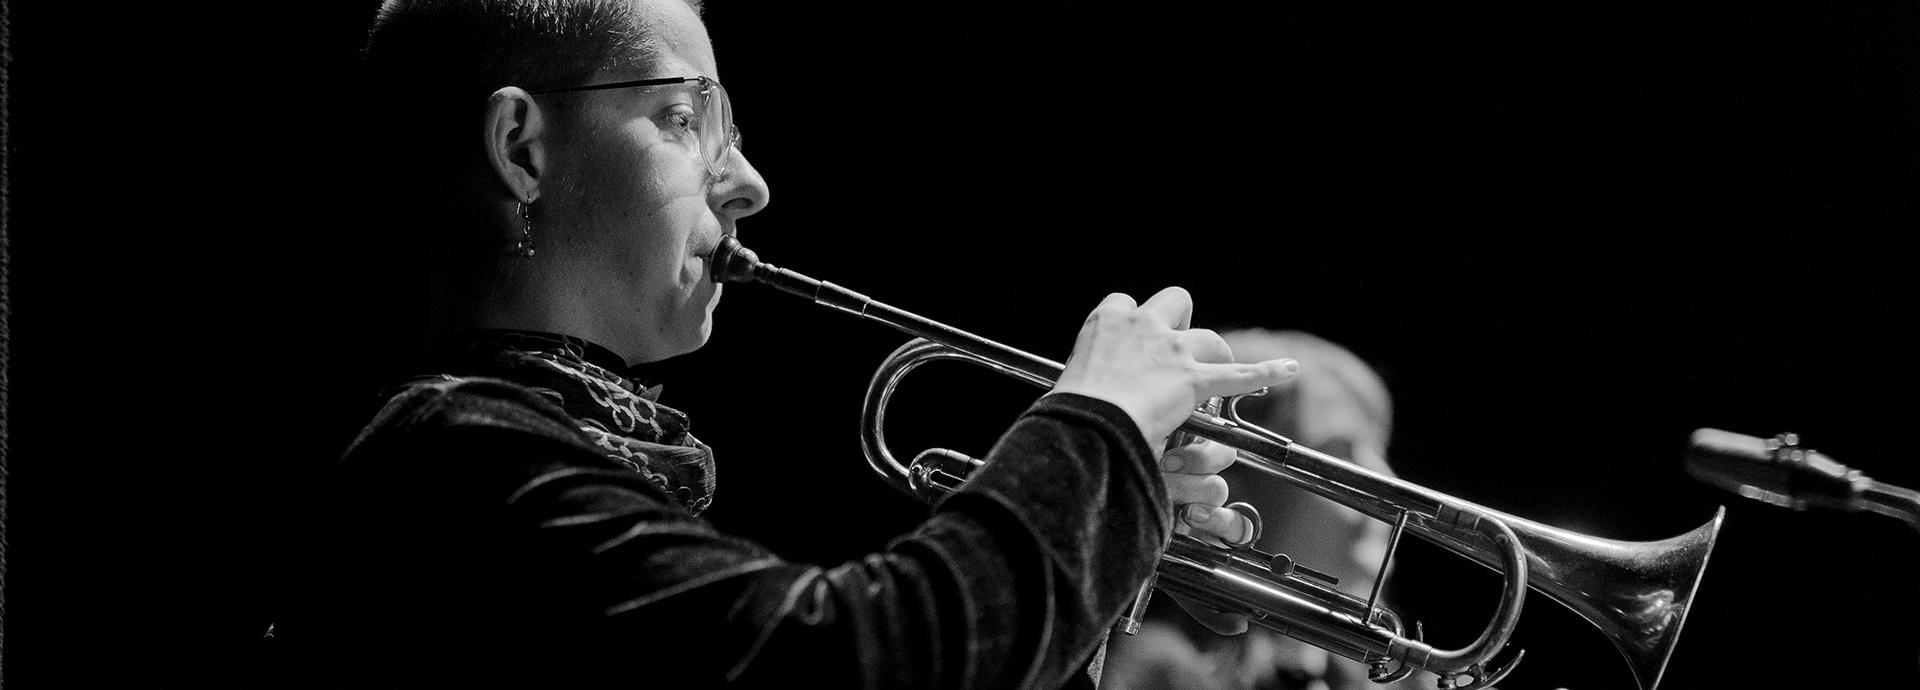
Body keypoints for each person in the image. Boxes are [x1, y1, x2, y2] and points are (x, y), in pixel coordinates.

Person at [264, 1, 1298, 688]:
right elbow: (860, 664)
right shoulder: (454, 456)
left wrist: (1106, 521)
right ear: (521, 148)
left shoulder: (563, 453)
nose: (751, 185)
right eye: (682, 118)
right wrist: (1093, 426)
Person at [1099, 329, 1404, 690]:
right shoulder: (1147, 672)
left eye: (1378, 451)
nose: (1388, 482)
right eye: (1339, 455)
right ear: (1220, 478)